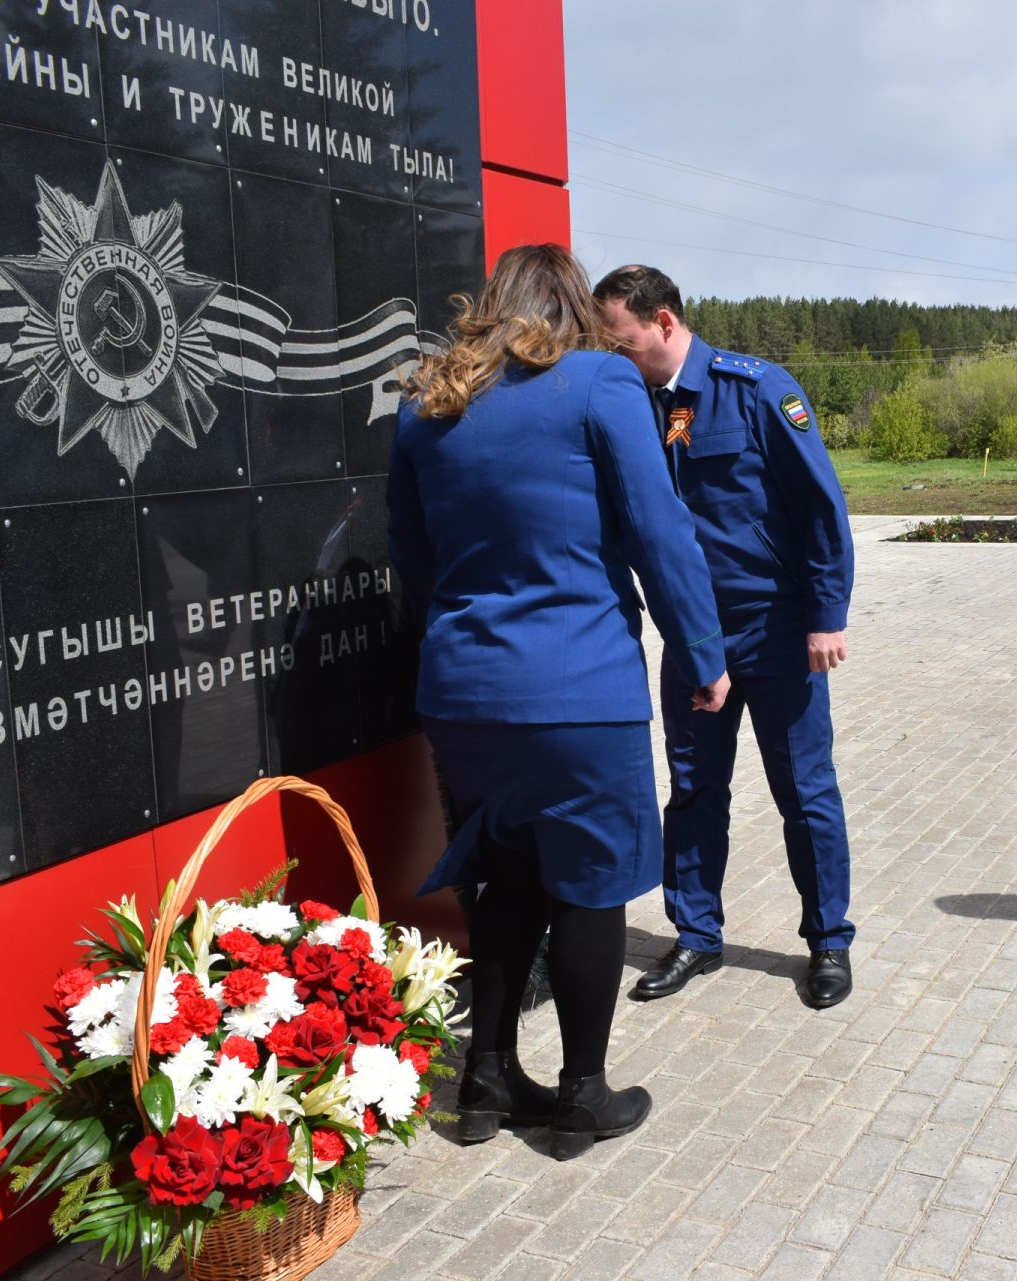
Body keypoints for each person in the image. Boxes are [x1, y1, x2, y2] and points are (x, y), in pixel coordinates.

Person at [387, 244, 730, 1159]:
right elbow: (660, 533)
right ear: (574, 305)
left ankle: (488, 1079)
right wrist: (703, 653)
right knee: (590, 887)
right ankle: (583, 1095)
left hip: (462, 693)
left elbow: (412, 562)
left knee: (502, 881)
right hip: (578, 690)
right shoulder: (598, 385)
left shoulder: (427, 402)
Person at [592, 265, 858, 1010]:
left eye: (626, 339)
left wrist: (826, 613)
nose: (619, 354)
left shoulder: (757, 388)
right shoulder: (643, 405)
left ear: (666, 322)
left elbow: (819, 506)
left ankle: (828, 938)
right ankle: (697, 934)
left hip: (777, 632)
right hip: (695, 635)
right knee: (694, 789)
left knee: (804, 792)